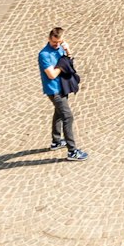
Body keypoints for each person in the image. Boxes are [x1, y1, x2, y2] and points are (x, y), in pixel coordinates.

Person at [39, 28, 86, 161]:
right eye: (54, 42)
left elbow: (69, 61)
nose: (56, 44)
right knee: (68, 117)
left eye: (59, 42)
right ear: (49, 39)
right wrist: (62, 64)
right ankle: (72, 151)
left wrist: (67, 51)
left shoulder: (60, 48)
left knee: (59, 113)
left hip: (62, 87)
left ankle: (56, 141)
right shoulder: (44, 55)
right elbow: (52, 74)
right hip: (54, 90)